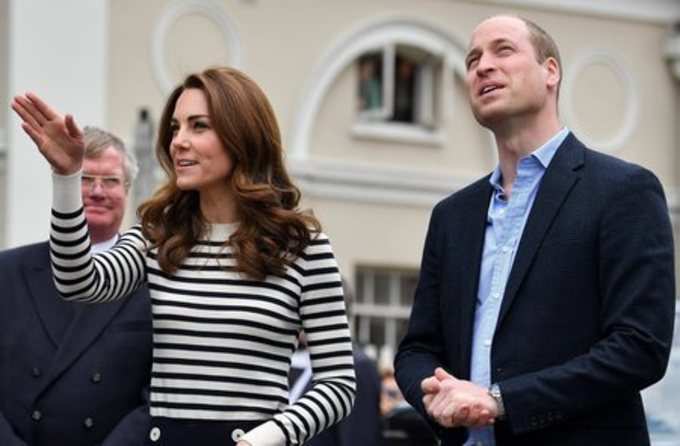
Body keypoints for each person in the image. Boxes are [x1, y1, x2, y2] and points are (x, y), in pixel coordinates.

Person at [12, 66, 356, 446]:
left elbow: (338, 382)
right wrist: (66, 177)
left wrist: (268, 438)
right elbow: (78, 281)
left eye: (198, 126)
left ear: (241, 135)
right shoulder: (158, 234)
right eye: (175, 128)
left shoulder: (302, 246)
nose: (179, 141)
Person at [394, 15, 675, 446]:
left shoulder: (622, 191)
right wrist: (435, 395)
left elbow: (639, 348)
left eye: (502, 50)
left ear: (550, 71)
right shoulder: (452, 216)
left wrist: (502, 401)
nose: (482, 66)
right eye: (472, 59)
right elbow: (416, 350)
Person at [0, 127, 152, 446]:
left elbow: (161, 392)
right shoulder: (7, 272)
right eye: (84, 179)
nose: (97, 191)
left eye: (110, 181)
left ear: (127, 190)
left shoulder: (154, 280)